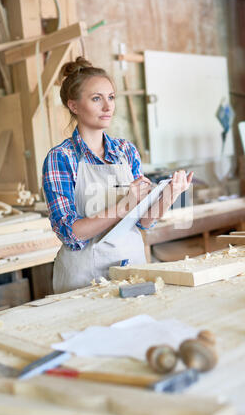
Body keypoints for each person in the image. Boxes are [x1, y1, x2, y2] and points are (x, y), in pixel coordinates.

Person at [43, 57, 193, 294]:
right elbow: (69, 233)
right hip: (84, 280)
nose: (108, 107)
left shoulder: (126, 151)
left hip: (132, 269)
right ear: (73, 106)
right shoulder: (61, 158)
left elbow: (144, 222)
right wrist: (124, 207)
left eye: (111, 97)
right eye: (96, 99)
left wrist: (171, 194)